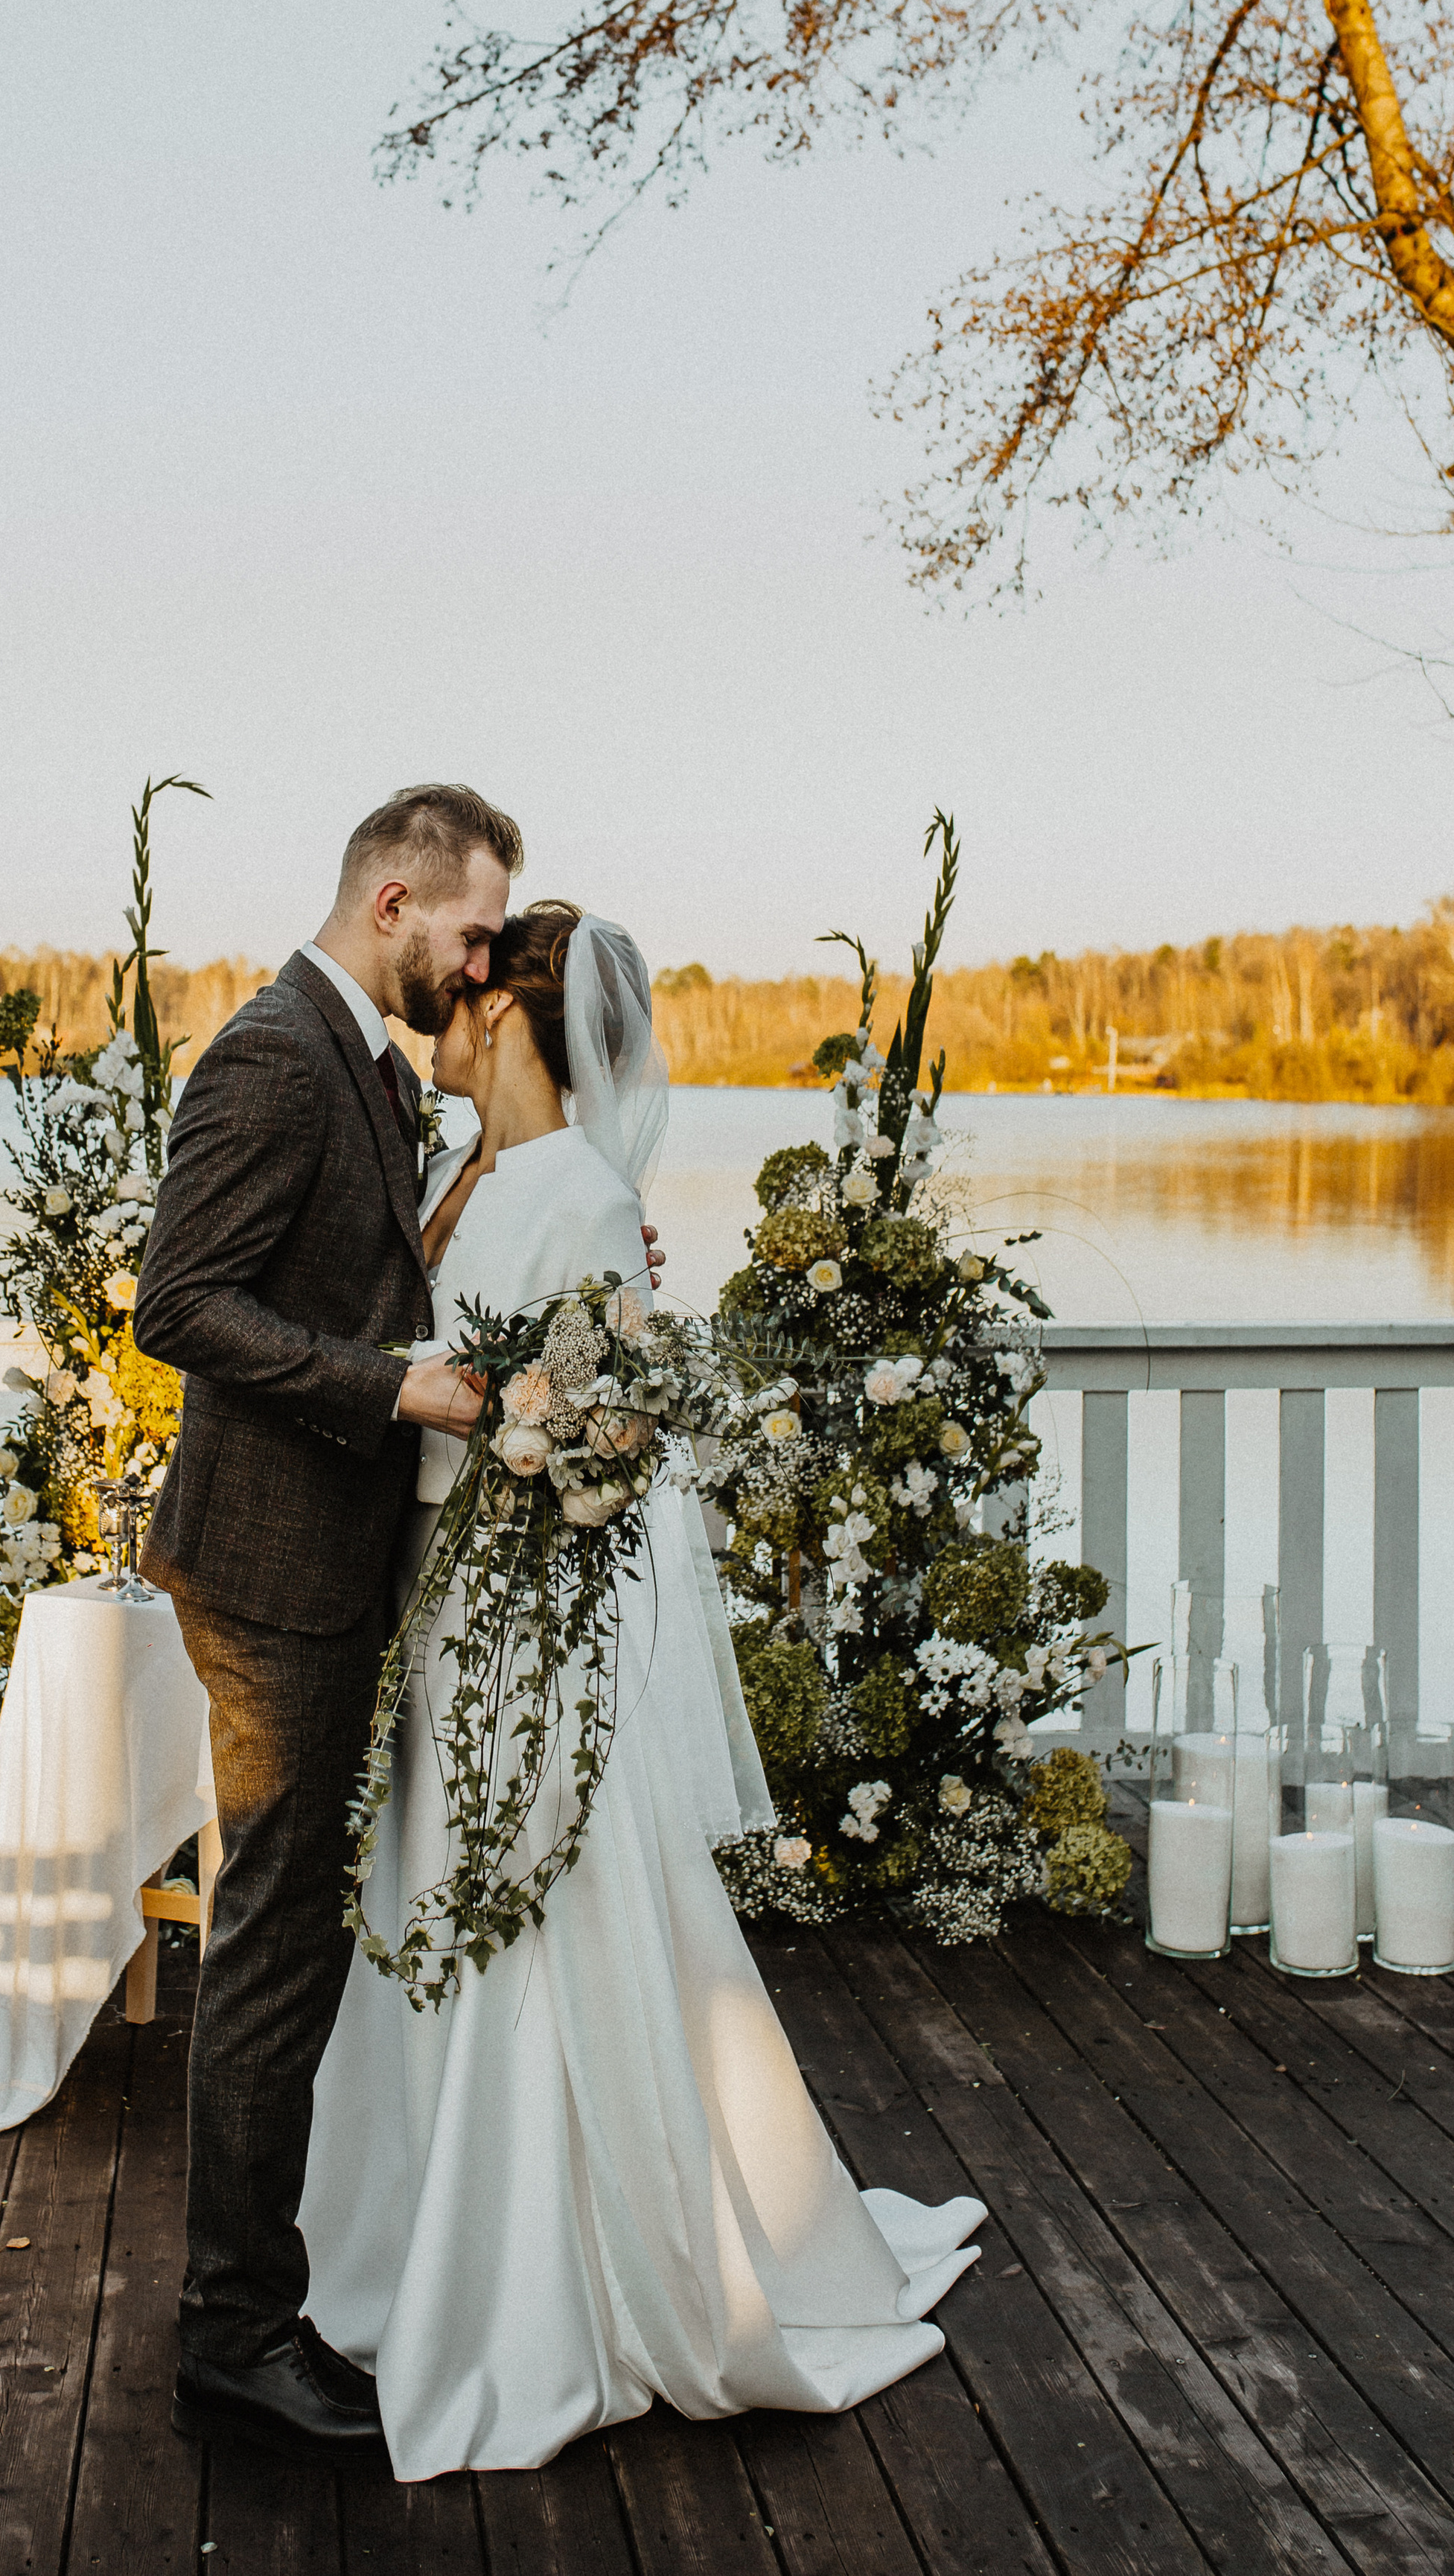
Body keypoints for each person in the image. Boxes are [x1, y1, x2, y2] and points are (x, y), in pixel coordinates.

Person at [296, 902, 986, 2481]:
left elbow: (600, 1434)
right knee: (420, 1890)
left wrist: (526, 1440)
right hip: (427, 1600)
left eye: (460, 1003)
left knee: (538, 1906)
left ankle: (559, 2265)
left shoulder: (588, 1200)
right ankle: (403, 2229)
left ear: (514, 1019)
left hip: (517, 1619)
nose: (436, 1025)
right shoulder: (446, 1168)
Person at [133, 788, 662, 2456]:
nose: (482, 959)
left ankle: (321, 2267)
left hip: (350, 1571)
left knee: (304, 1935)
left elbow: (419, 1270)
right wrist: (393, 1384)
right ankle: (231, 2327)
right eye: (469, 927)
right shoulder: (281, 1052)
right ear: (390, 901)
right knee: (274, 1942)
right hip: (275, 1577)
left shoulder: (368, 1061)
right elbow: (179, 1302)